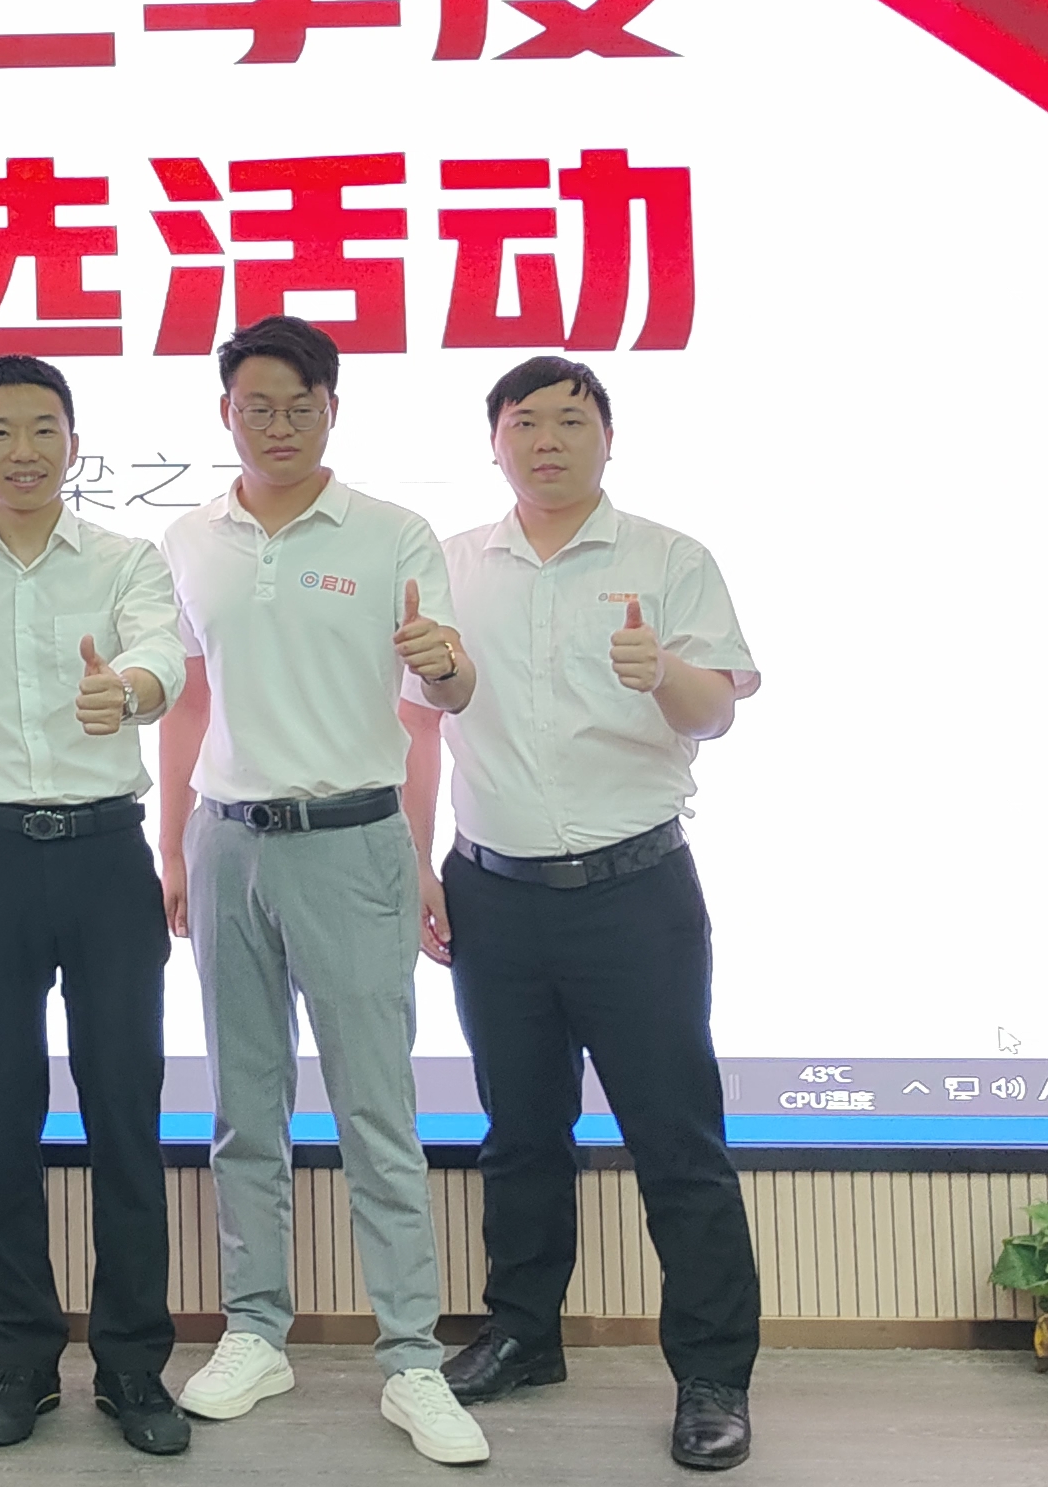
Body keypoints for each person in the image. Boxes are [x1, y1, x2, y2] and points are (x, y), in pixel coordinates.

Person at [153, 314, 484, 1469]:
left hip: (352, 840)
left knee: (374, 1111)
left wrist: (446, 670)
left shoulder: (392, 532)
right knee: (243, 1109)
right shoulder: (189, 538)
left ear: (332, 408)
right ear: (226, 412)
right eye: (256, 405)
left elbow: (441, 692)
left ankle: (411, 1358)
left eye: (299, 405)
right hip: (226, 839)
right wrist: (171, 842)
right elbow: (187, 701)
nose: (278, 424)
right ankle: (255, 1330)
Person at [421, 358, 764, 1474]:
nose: (547, 440)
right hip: (492, 891)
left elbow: (716, 711)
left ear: (607, 437)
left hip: (634, 891)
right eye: (524, 422)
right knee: (520, 1135)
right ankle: (523, 1332)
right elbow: (417, 719)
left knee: (677, 1140)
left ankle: (712, 1373)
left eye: (571, 420)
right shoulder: (449, 564)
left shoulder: (668, 557)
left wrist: (660, 669)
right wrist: (419, 862)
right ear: (495, 442)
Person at [0, 354, 188, 1456]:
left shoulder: (125, 558)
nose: (23, 450)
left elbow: (160, 657)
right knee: (2, 1118)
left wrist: (128, 690)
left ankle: (133, 1366)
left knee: (126, 1114)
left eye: (43, 428)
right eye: (0, 431)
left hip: (106, 855)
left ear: (73, 439)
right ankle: (19, 1360)